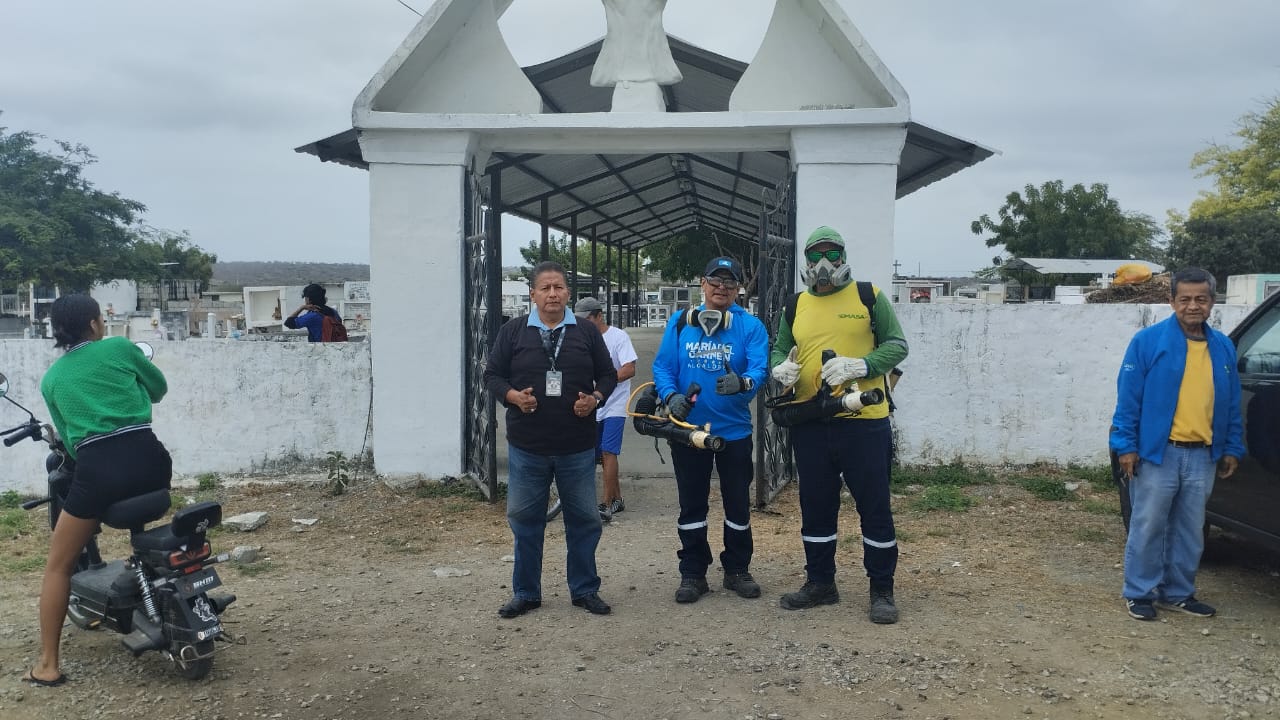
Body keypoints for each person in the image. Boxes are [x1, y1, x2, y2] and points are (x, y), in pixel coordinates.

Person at [769, 226, 909, 624]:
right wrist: (780, 368)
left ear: (844, 257)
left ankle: (881, 589)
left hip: (864, 421)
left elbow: (897, 345)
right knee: (816, 505)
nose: (824, 263)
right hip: (810, 421)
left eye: (832, 254)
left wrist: (863, 365)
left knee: (874, 507)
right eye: (815, 256)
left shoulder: (868, 296)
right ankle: (820, 583)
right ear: (806, 261)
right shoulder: (795, 304)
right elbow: (780, 347)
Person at [30, 295, 172, 686]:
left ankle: (47, 666)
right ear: (94, 324)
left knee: (58, 566)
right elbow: (158, 389)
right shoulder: (119, 348)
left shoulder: (52, 380)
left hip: (100, 470)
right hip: (153, 462)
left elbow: (71, 444)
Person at [484, 262, 618, 619]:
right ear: (533, 294)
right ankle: (526, 593)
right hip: (528, 446)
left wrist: (595, 399)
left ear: (568, 293)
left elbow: (607, 375)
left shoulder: (586, 332)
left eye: (559, 287)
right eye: (545, 288)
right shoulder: (513, 332)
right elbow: (493, 375)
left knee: (584, 520)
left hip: (577, 445)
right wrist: (513, 397)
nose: (553, 294)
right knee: (526, 520)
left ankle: (585, 589)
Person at [1110, 267, 1244, 621]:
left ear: (1212, 302)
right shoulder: (1147, 342)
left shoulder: (1222, 347)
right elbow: (1128, 399)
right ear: (1172, 301)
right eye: (1185, 299)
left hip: (1202, 456)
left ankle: (1178, 593)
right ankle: (1140, 593)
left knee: (1190, 531)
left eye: (1201, 299)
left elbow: (1230, 403)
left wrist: (1232, 447)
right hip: (1157, 454)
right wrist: (1126, 445)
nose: (1193, 306)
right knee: (1148, 526)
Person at [652, 257, 769, 603]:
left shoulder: (750, 327)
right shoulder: (680, 323)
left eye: (730, 283)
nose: (722, 288)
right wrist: (670, 396)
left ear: (738, 289)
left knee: (737, 505)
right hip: (687, 433)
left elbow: (760, 369)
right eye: (715, 281)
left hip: (734, 432)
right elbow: (663, 367)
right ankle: (693, 573)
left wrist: (743, 382)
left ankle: (737, 570)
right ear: (702, 284)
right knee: (692, 506)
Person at [574, 297, 638, 519]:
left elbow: (629, 368)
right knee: (595, 454)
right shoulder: (579, 338)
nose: (583, 323)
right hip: (592, 404)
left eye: (587, 319)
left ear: (599, 316)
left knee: (608, 451)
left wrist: (604, 383)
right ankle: (617, 499)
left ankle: (605, 504)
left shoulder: (618, 337)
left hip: (615, 404)